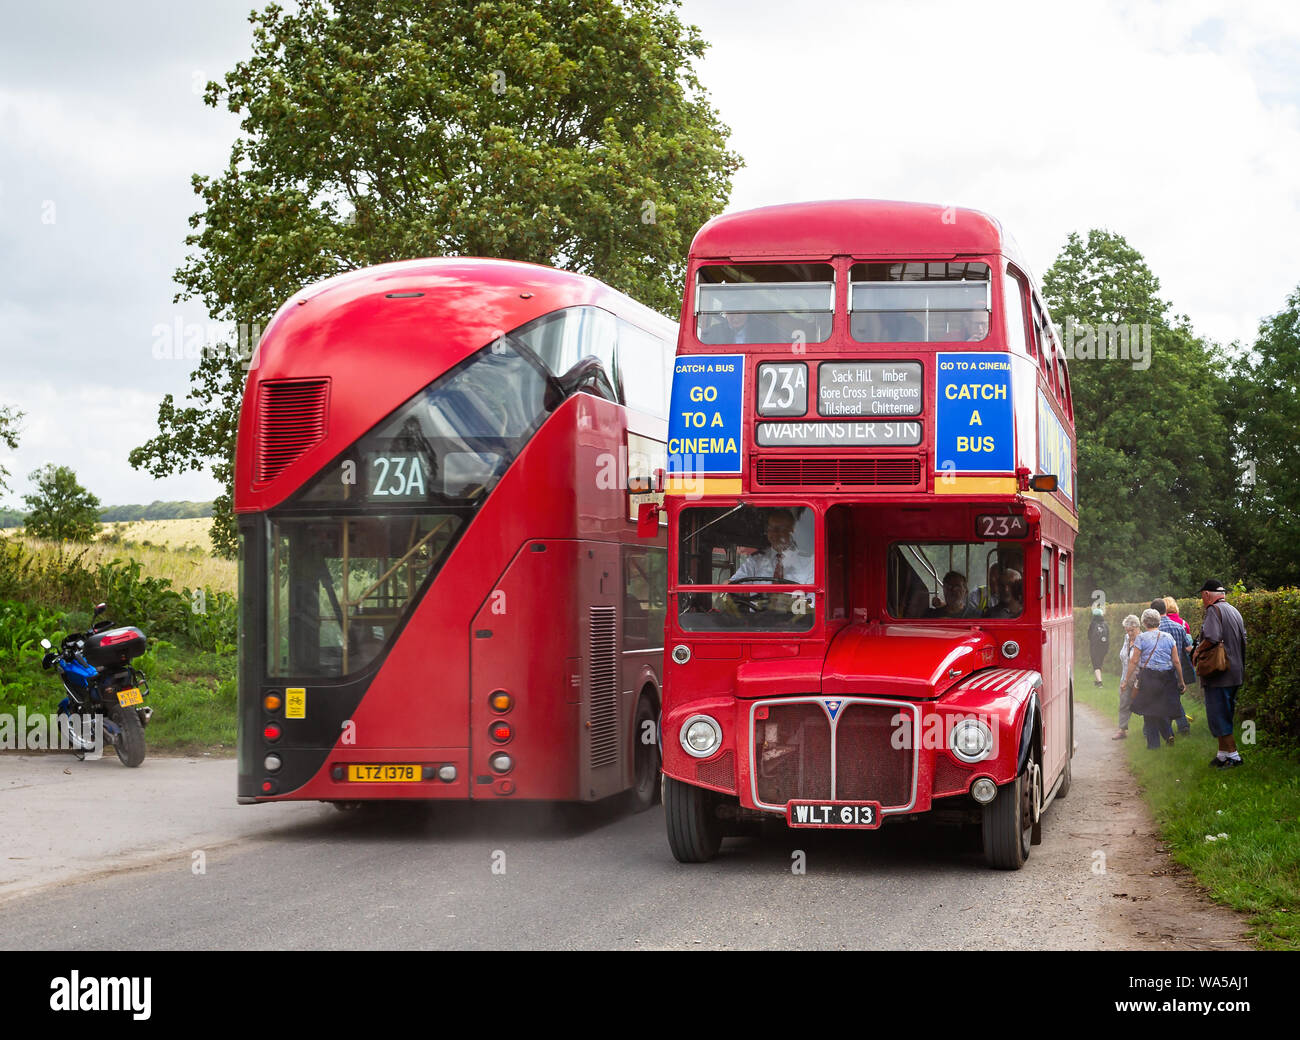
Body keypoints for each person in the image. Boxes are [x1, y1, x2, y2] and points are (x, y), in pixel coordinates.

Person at [1194, 579, 1247, 769]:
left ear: (1207, 595)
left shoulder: (1212, 611)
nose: (1202, 600)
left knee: (1219, 715)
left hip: (1220, 673)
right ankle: (1222, 755)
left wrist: (1198, 651)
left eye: (1202, 596)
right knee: (1225, 713)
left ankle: (1234, 756)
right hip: (1235, 672)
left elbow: (1212, 637)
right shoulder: (1234, 610)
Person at [1123, 608, 1186, 750]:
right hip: (1167, 677)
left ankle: (1153, 746)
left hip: (1149, 677)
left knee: (1149, 711)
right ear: (1158, 621)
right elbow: (1176, 661)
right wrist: (1181, 681)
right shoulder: (1169, 637)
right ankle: (1168, 734)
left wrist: (1126, 679)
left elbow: (1134, 661)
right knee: (1162, 708)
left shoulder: (1141, 638)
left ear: (1144, 623)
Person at [729, 508, 814, 585]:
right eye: (770, 528)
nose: (774, 533)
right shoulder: (755, 560)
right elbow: (735, 584)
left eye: (780, 529)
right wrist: (729, 585)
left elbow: (814, 598)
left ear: (791, 530)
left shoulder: (808, 562)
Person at [1151, 598, 1193, 735]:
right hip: (1177, 669)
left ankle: (1168, 731)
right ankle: (1179, 727)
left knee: (1162, 701)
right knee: (1173, 699)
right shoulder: (1179, 626)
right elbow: (1188, 648)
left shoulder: (1155, 629)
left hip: (1159, 671)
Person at [1112, 614, 1141, 739]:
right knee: (1123, 703)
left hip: (1139, 679)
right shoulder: (1126, 638)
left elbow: (1135, 661)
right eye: (1127, 630)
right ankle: (1122, 730)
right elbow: (1125, 657)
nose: (1129, 633)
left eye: (1131, 630)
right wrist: (1124, 679)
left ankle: (1149, 731)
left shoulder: (1143, 639)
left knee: (1144, 704)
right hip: (1125, 677)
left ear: (1138, 628)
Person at [700, 310, 780, 345]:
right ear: (726, 313)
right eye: (731, 313)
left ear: (747, 313)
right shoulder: (711, 333)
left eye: (740, 312)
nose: (735, 317)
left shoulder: (763, 331)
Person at [1088, 607, 1109, 687]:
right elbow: (1108, 636)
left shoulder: (1093, 624)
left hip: (1095, 647)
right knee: (1099, 663)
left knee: (1096, 665)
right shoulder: (1105, 624)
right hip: (1104, 647)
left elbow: (1089, 636)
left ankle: (1100, 682)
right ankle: (1097, 681)